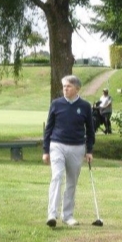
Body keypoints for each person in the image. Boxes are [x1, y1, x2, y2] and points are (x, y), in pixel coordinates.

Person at [43, 75, 95, 228]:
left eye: (69, 86)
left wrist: (89, 150)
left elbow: (90, 130)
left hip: (77, 147)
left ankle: (68, 215)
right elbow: (49, 128)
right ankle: (52, 214)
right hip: (57, 144)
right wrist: (46, 150)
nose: (65, 89)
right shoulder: (56, 104)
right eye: (64, 86)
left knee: (71, 182)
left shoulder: (85, 106)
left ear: (77, 89)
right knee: (57, 176)